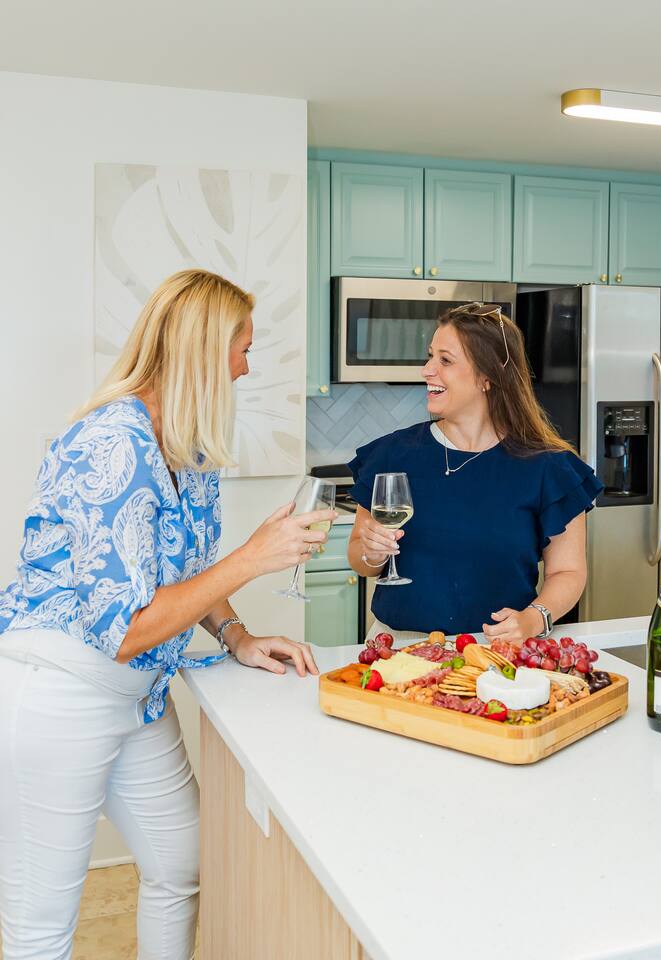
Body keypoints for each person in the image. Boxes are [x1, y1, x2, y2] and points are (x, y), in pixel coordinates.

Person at [0, 269, 334, 960]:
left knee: (181, 868)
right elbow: (123, 629)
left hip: (138, 696)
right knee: (40, 929)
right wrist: (253, 557)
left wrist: (236, 635)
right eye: (243, 348)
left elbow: (182, 577)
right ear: (206, 351)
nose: (247, 367)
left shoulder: (188, 446)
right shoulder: (111, 444)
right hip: (58, 694)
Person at [347, 301, 603, 646]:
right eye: (430, 356)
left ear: (487, 377)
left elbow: (567, 572)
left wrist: (534, 618)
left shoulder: (550, 468)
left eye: (445, 360)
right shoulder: (391, 454)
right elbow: (360, 559)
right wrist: (372, 554)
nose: (426, 370)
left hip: (497, 650)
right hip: (397, 650)